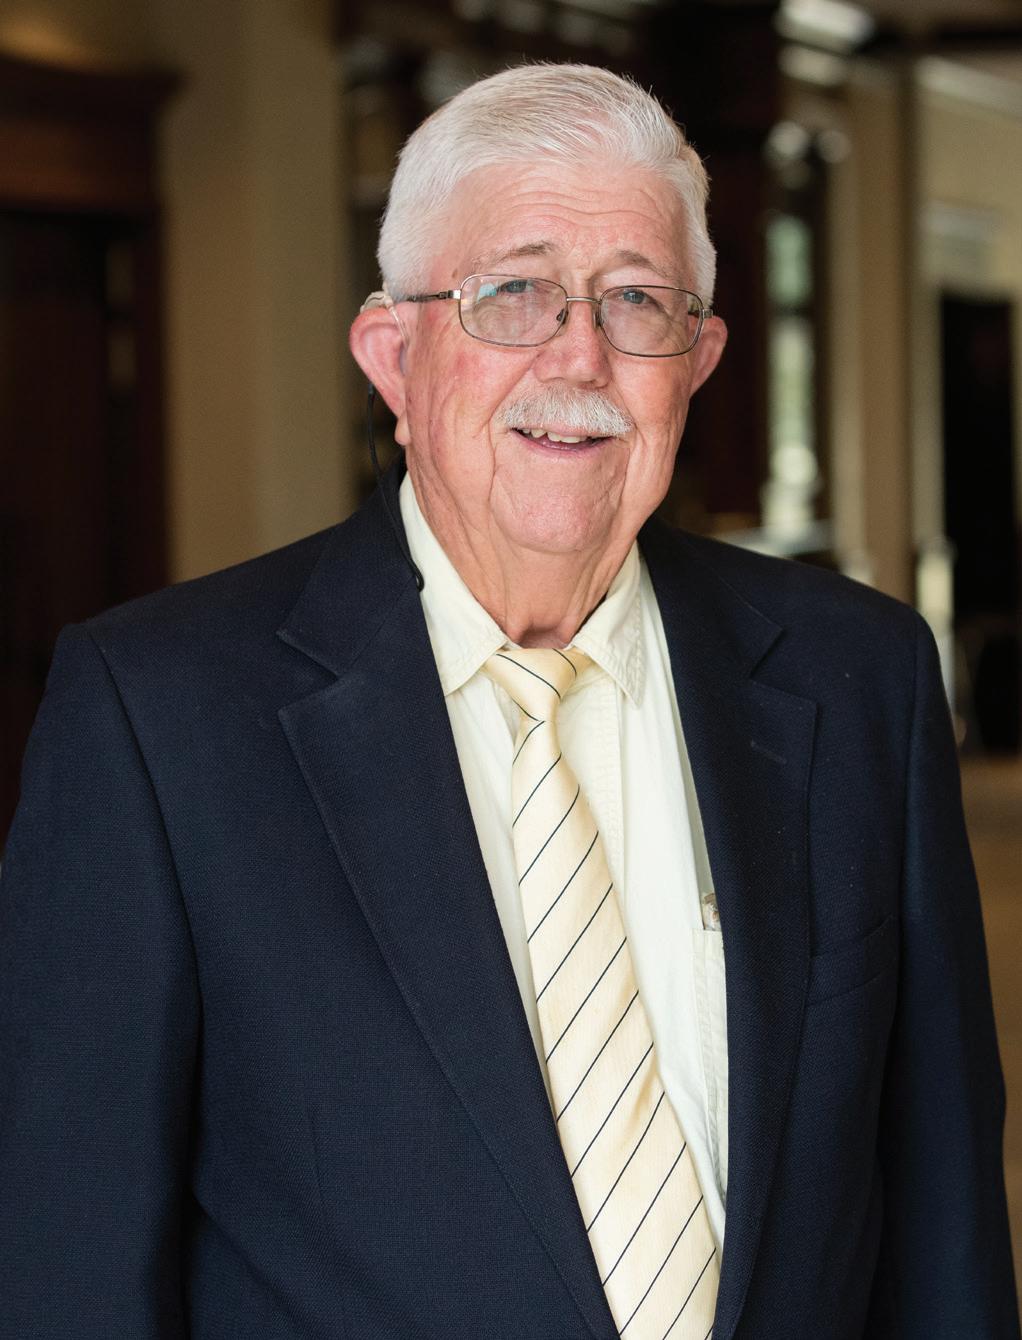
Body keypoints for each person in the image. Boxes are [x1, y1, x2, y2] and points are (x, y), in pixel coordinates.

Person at [0, 62, 1017, 1340]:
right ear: (393, 355)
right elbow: (69, 1262)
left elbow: (941, 1225)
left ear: (698, 359)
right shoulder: (157, 715)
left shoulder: (860, 676)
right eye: (512, 293)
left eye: (636, 299)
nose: (578, 353)